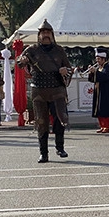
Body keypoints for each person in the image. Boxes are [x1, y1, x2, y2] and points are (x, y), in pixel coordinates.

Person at [17, 19, 70, 163]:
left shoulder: (59, 50)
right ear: (39, 35)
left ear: (52, 34)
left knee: (60, 119)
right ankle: (43, 153)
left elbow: (69, 68)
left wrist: (65, 71)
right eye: (43, 32)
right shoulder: (31, 50)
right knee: (41, 122)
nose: (46, 35)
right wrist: (23, 60)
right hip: (39, 91)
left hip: (57, 89)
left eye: (48, 32)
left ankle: (60, 147)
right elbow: (20, 62)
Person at [88, 48, 109, 133]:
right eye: (96, 59)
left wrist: (95, 71)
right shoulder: (100, 67)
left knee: (105, 109)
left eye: (99, 59)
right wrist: (91, 72)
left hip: (106, 92)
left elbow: (105, 76)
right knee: (99, 109)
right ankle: (102, 126)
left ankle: (106, 126)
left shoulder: (108, 67)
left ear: (104, 59)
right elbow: (94, 79)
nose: (97, 61)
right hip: (98, 91)